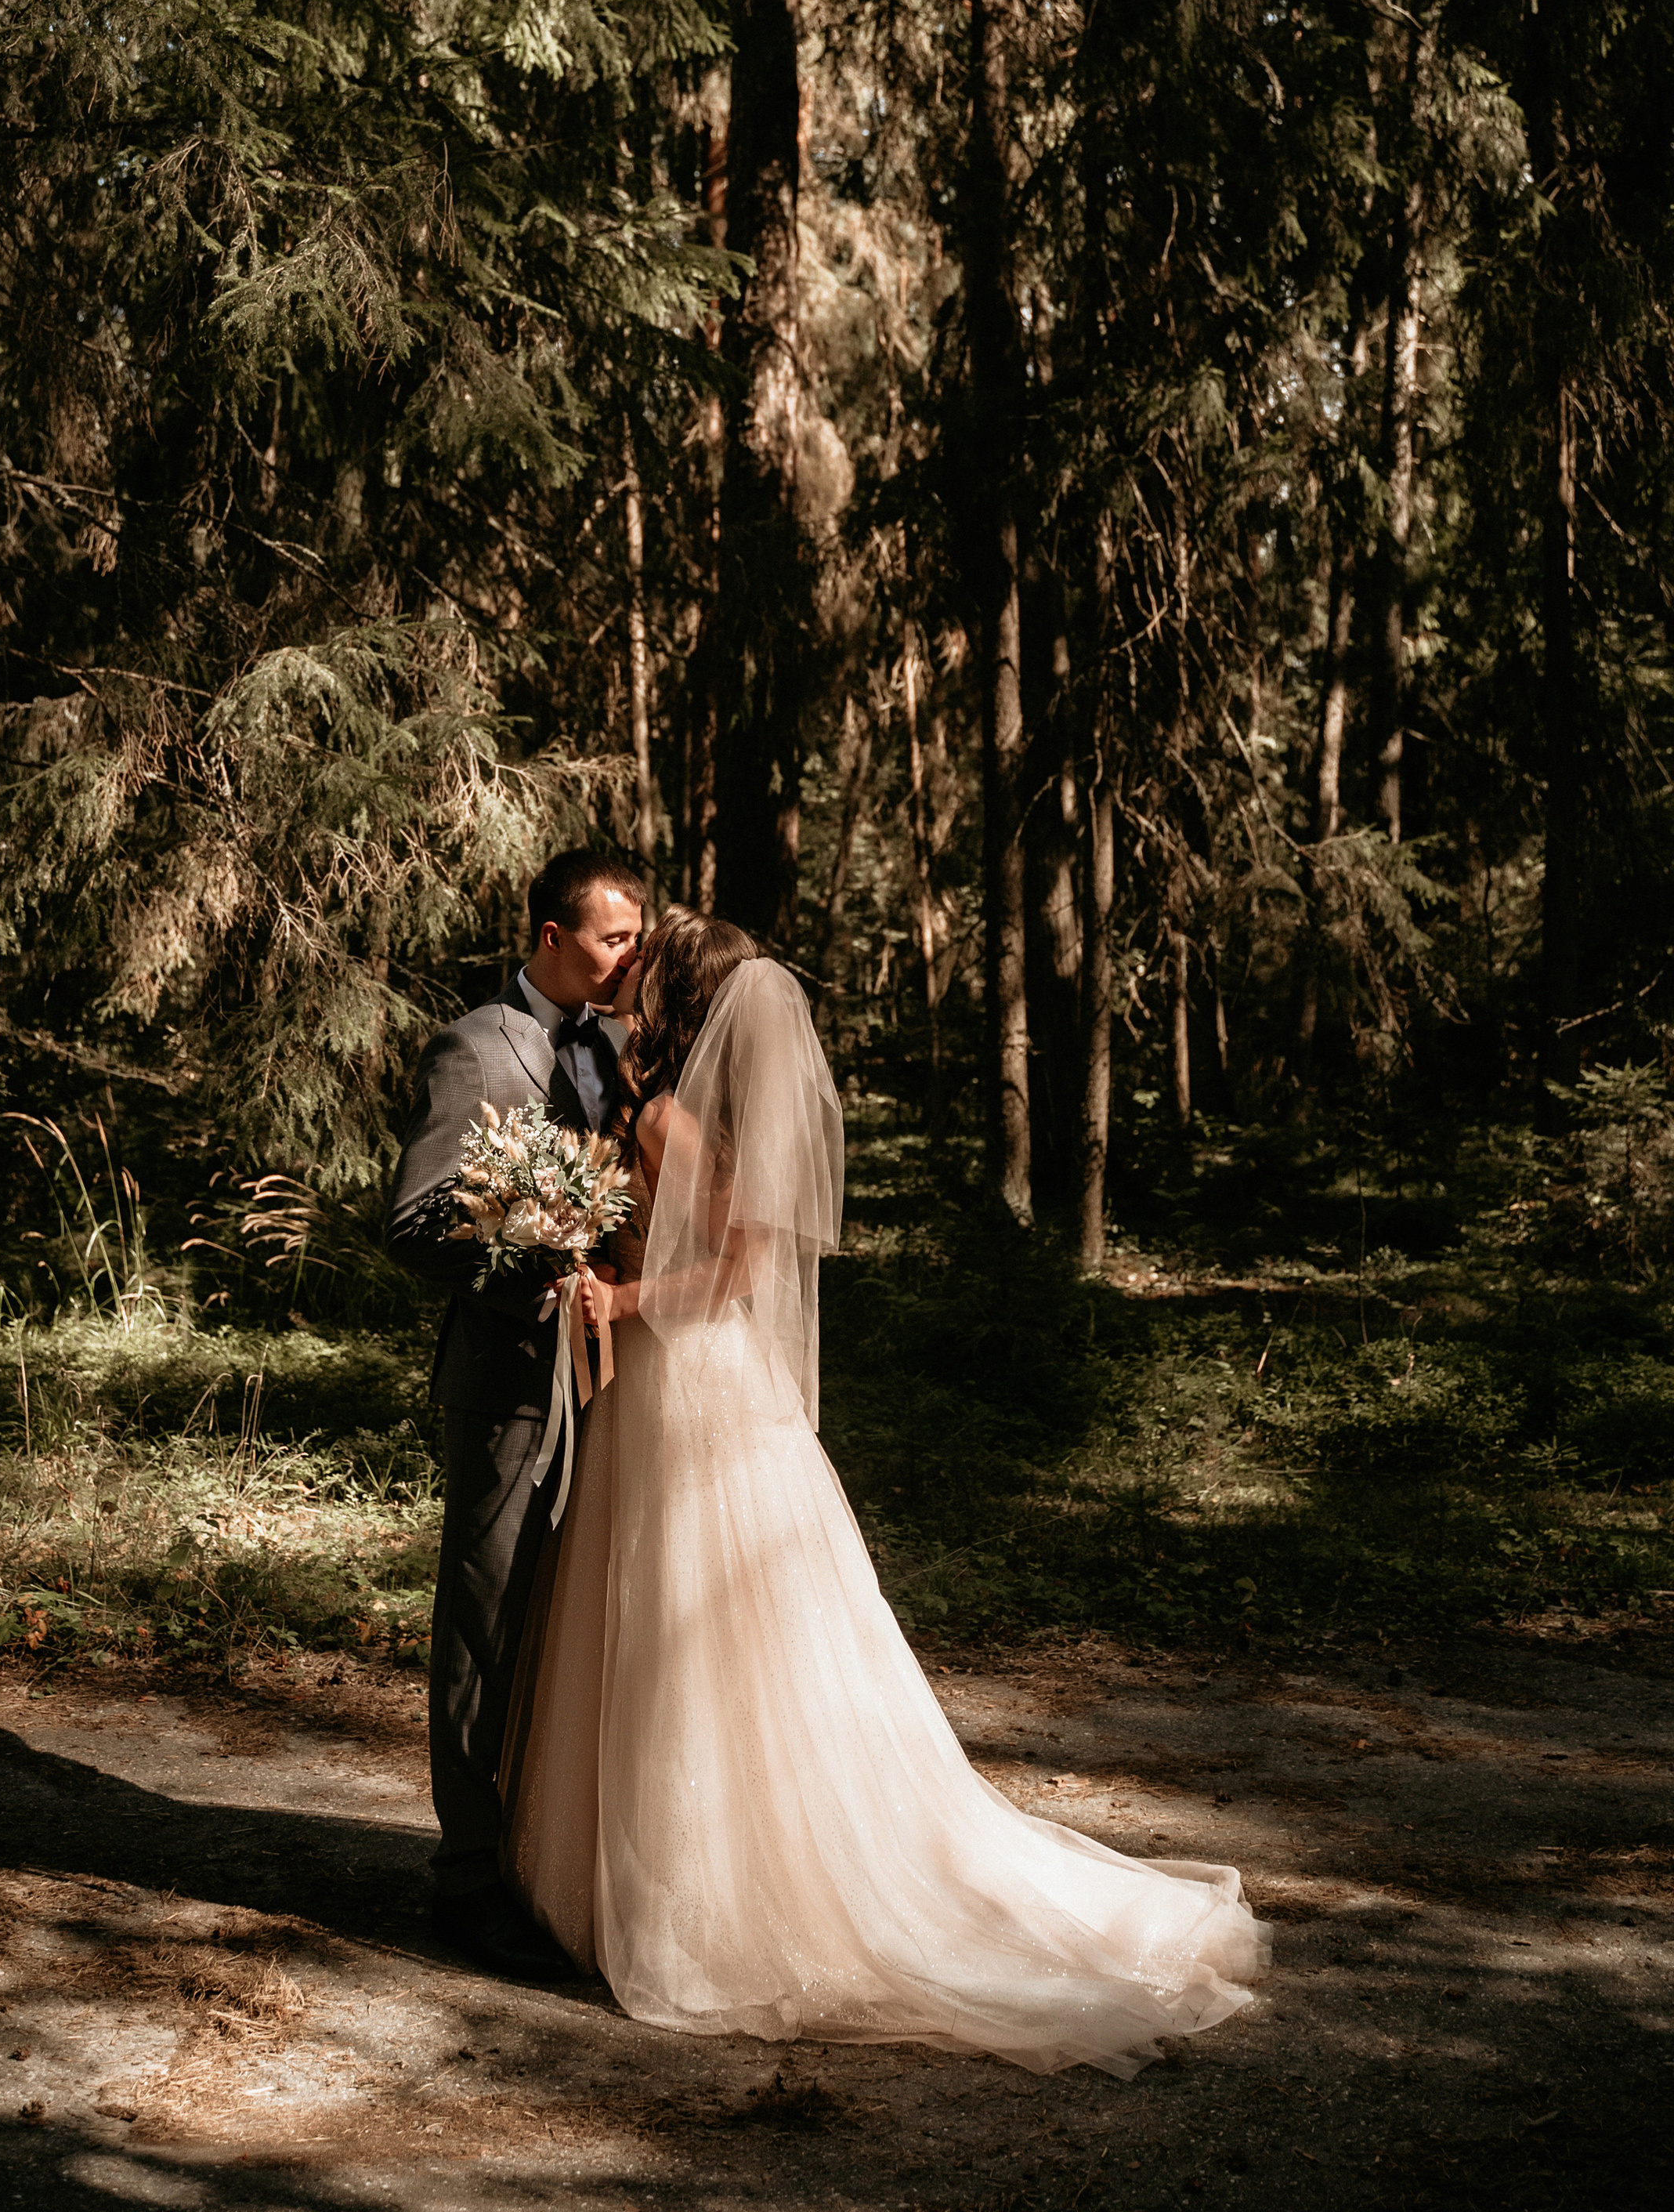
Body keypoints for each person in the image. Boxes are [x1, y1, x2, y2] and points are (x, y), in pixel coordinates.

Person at [501, 914, 1271, 2074]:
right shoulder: (704, 1109)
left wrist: (623, 1302)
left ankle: (694, 1896)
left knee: (680, 1632)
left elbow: (731, 1273)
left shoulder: (666, 1114)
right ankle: (673, 1877)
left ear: (678, 1001)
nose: (631, 977)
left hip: (682, 1382)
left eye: (647, 966)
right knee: (732, 1640)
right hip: (714, 1388)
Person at [385, 842, 643, 1980]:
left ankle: (554, 1857)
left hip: (620, 1384)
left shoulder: (631, 1048)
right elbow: (412, 1222)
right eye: (613, 937)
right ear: (552, 938)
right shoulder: (478, 1046)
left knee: (580, 1623)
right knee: (487, 1620)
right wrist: (525, 1264)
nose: (631, 955)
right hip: (512, 1387)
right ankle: (468, 1876)